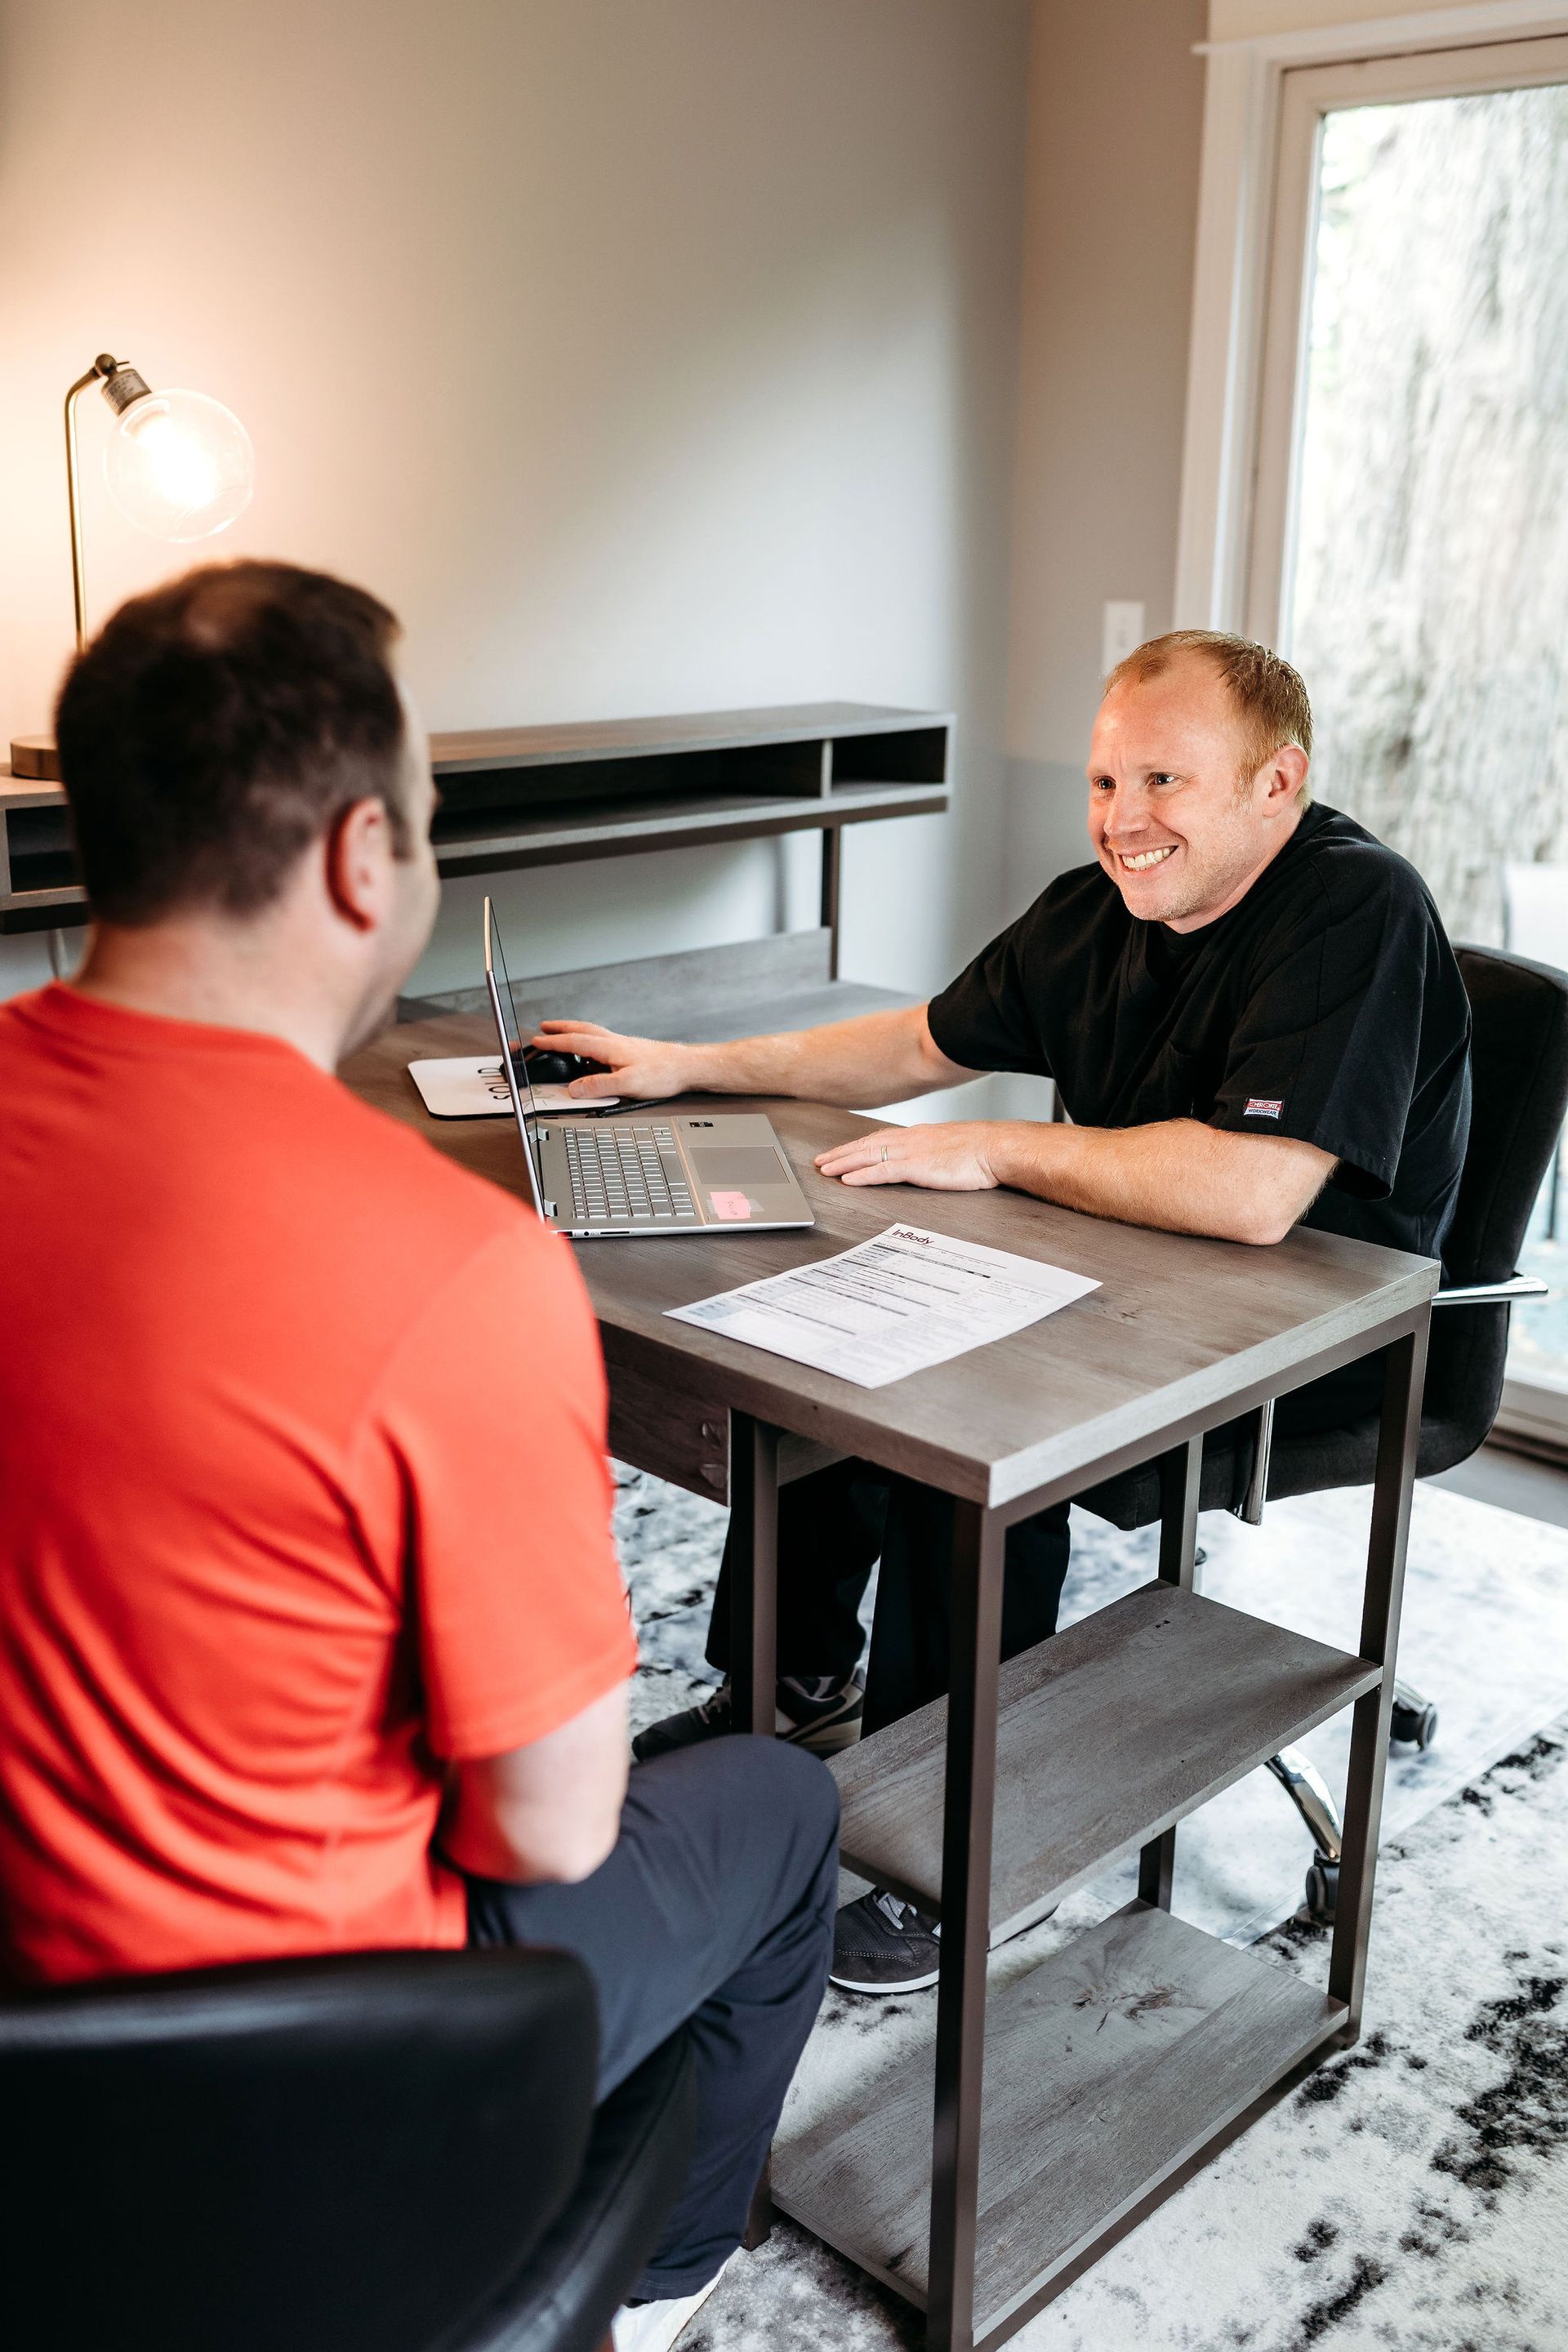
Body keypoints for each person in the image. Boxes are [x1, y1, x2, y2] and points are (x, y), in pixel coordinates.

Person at [0, 561, 838, 2352]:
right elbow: (543, 1818)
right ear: (362, 856)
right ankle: (660, 2292)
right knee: (775, 1808)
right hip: (303, 2083)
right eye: (434, 817)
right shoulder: (457, 1268)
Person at [533, 629, 1472, 1996]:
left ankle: (958, 1841)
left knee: (956, 1425)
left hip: (1314, 1340)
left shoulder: (1355, 909)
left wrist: (996, 1149)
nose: (1122, 820)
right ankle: (785, 1695)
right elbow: (919, 1040)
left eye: (1164, 780)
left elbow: (1260, 1190)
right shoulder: (1103, 907)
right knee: (832, 1351)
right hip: (1133, 1277)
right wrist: (686, 1065)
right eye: (1104, 782)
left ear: (1279, 784)